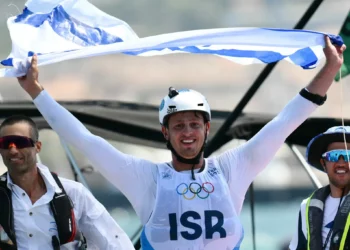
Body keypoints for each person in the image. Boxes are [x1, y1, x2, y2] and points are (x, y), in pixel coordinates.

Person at [16, 36, 345, 249]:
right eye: (178, 126)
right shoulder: (145, 178)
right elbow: (83, 139)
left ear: (206, 129)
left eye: (194, 124)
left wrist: (332, 67)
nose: (187, 132)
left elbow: (287, 119)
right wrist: (35, 91)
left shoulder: (235, 167)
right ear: (166, 133)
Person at [0, 115, 135, 250]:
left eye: (20, 142)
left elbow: (114, 241)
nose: (12, 150)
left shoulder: (74, 193)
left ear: (38, 147)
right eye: (5, 143)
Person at [289, 126, 350, 250]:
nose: (341, 162)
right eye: (333, 156)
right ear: (323, 164)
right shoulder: (306, 206)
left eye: (348, 155)